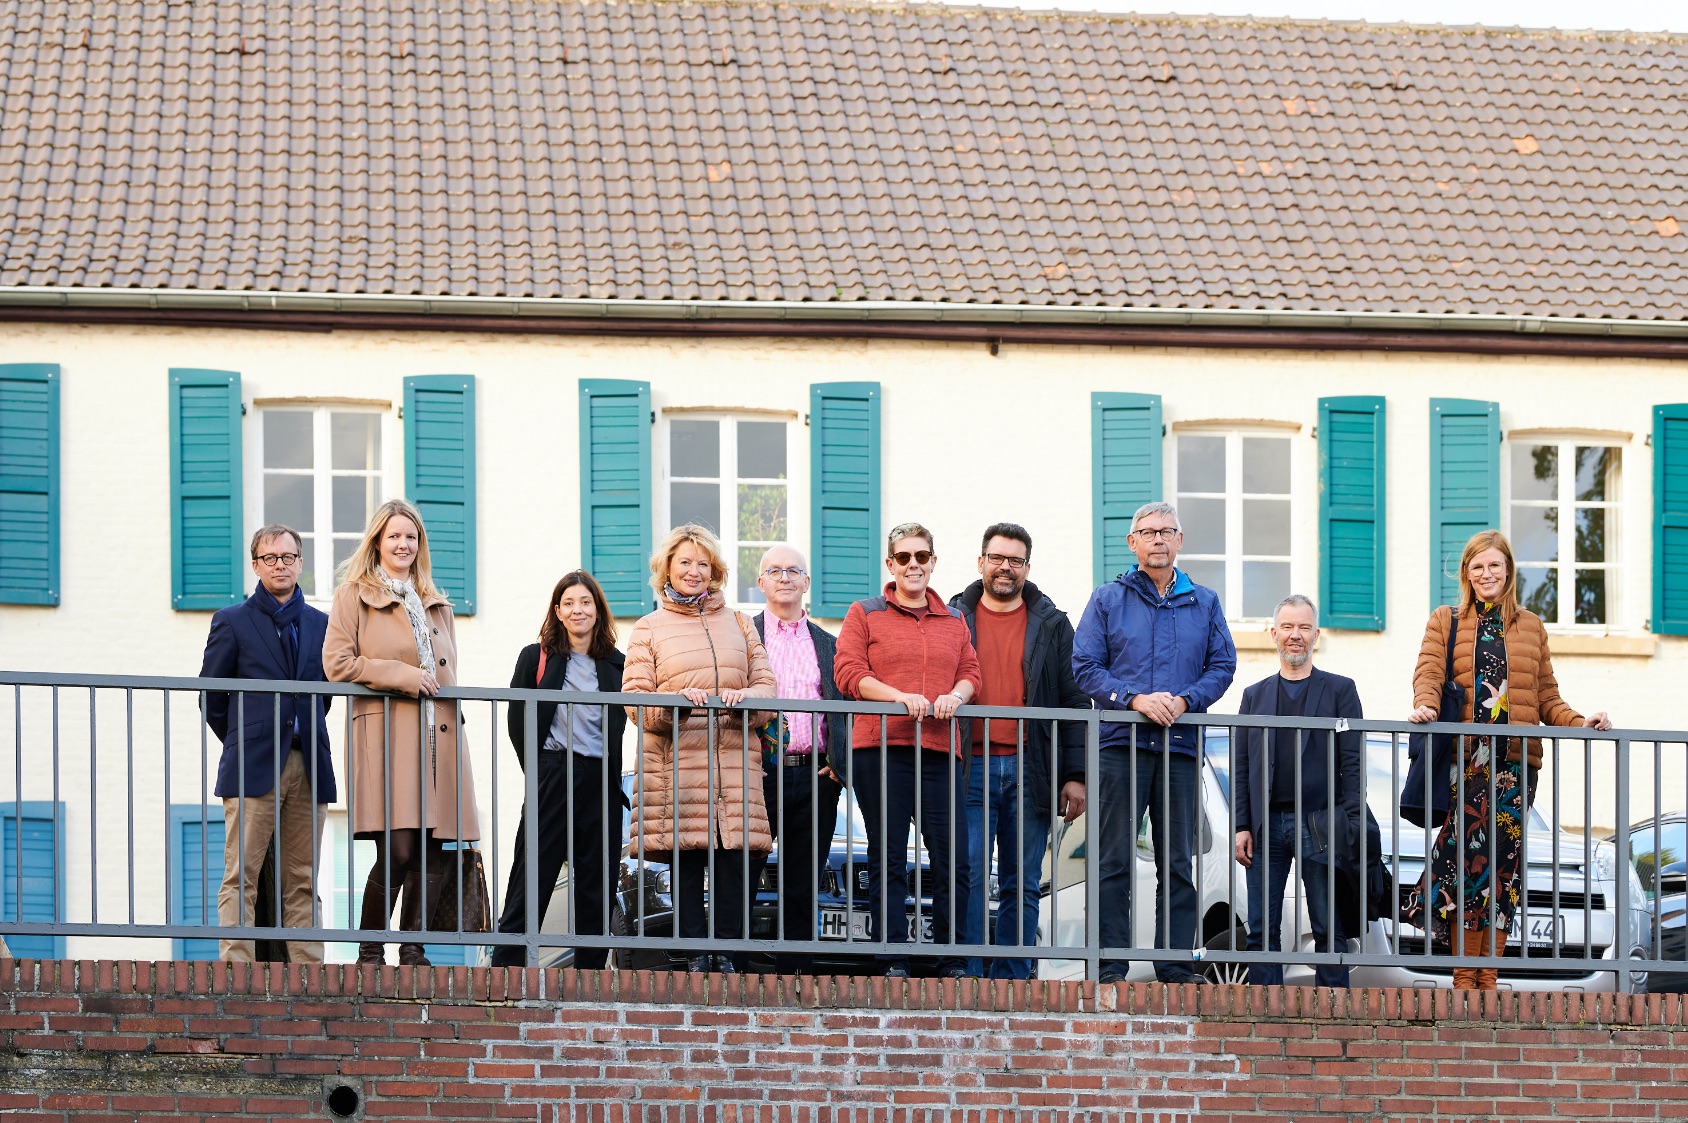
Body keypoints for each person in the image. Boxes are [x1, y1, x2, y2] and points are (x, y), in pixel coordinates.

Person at [1404, 530, 1611, 991]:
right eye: (1477, 566)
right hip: (1467, 763)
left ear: (1509, 571)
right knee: (1463, 870)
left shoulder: (1531, 626)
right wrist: (1425, 706)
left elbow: (1547, 698)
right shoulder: (1447, 620)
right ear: (1467, 574)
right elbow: (1429, 673)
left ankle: (1488, 978)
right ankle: (1464, 978)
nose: (1486, 574)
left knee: (1502, 874)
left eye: (1494, 565)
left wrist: (1581, 723)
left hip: (1516, 768)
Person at [1072, 501, 1236, 985]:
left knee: (1179, 863)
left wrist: (1185, 701)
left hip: (1181, 745)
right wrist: (1134, 699)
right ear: (1133, 543)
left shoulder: (1204, 603)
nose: (1158, 539)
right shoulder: (1107, 599)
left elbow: (1222, 666)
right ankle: (1109, 965)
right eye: (1148, 532)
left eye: (1167, 531)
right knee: (1112, 860)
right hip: (1120, 743)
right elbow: (1084, 666)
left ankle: (1175, 966)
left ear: (1180, 540)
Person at [324, 498, 481, 967]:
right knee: (398, 846)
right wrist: (402, 675)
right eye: (394, 535)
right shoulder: (353, 594)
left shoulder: (437, 602)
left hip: (440, 738)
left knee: (433, 849)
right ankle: (370, 949)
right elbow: (338, 663)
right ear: (377, 541)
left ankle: (413, 949)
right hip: (389, 738)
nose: (403, 544)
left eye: (411, 537)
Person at [623, 524, 777, 974]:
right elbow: (636, 700)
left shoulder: (740, 623)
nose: (694, 571)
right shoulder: (649, 627)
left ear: (715, 572)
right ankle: (693, 956)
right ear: (667, 567)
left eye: (703, 564)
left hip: (733, 764)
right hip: (677, 766)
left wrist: (748, 700)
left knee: (734, 859)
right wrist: (675, 707)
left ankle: (726, 954)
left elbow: (767, 686)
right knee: (687, 860)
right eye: (685, 562)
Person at [834, 522, 982, 979]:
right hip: (880, 748)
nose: (913, 565)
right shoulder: (865, 612)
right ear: (890, 564)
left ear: (934, 562)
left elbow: (970, 672)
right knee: (888, 855)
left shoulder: (954, 620)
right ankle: (892, 956)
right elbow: (848, 673)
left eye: (922, 556)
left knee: (953, 858)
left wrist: (956, 697)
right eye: (904, 557)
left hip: (939, 750)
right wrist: (901, 698)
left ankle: (950, 958)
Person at [950, 523, 1088, 979]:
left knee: (1022, 883)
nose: (1005, 567)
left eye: (1015, 560)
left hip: (1031, 768)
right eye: (997, 558)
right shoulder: (953, 618)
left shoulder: (1052, 623)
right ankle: (965, 975)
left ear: (1027, 567)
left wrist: (1076, 774)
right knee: (967, 878)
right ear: (981, 562)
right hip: (968, 766)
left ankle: (1013, 977)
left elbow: (1072, 702)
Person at [198, 523, 337, 963]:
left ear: (300, 563)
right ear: (256, 565)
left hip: (308, 760)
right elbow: (212, 698)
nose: (281, 565)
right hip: (253, 763)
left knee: (303, 878)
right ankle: (236, 967)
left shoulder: (321, 624)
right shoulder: (232, 620)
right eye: (271, 558)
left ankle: (308, 971)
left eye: (289, 557)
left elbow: (325, 696)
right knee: (242, 873)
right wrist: (244, 739)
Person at [490, 570, 628, 970]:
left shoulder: (617, 665)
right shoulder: (536, 657)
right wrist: (538, 774)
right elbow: (518, 721)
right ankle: (505, 971)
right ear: (557, 611)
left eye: (585, 602)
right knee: (531, 876)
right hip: (553, 772)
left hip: (600, 779)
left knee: (596, 886)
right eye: (568, 603)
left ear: (598, 610)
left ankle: (590, 977)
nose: (577, 609)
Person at [1232, 594, 1363, 988]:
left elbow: (1352, 762)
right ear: (1273, 634)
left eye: (1304, 627)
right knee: (1261, 929)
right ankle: (1264, 1013)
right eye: (1287, 627)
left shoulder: (1341, 690)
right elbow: (1241, 766)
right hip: (1265, 825)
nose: (1295, 635)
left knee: (1328, 927)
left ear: (1316, 635)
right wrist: (1242, 824)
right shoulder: (1254, 696)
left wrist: (1351, 820)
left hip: (1321, 824)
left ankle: (1334, 1012)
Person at [744, 545, 850, 975]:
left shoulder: (829, 643)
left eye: (794, 570)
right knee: (743, 873)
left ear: (807, 583)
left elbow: (845, 706)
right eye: (774, 570)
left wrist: (841, 764)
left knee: (803, 882)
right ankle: (734, 970)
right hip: (754, 773)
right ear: (761, 581)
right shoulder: (744, 636)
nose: (784, 577)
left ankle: (796, 978)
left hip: (815, 774)